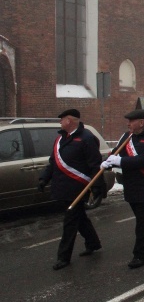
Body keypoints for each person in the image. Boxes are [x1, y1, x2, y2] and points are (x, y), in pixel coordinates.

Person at [101, 109, 144, 269]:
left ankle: (140, 255)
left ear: (142, 122)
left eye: (131, 121)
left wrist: (120, 161)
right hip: (131, 184)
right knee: (143, 217)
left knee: (142, 222)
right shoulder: (127, 137)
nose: (128, 124)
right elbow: (117, 152)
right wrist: (108, 161)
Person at [39, 109, 104, 270]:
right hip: (62, 186)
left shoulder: (87, 138)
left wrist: (97, 188)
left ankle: (63, 257)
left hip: (77, 188)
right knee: (80, 217)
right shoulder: (60, 139)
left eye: (62, 119)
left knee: (70, 222)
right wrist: (43, 178)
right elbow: (53, 162)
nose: (60, 122)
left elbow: (95, 164)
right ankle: (93, 243)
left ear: (70, 120)